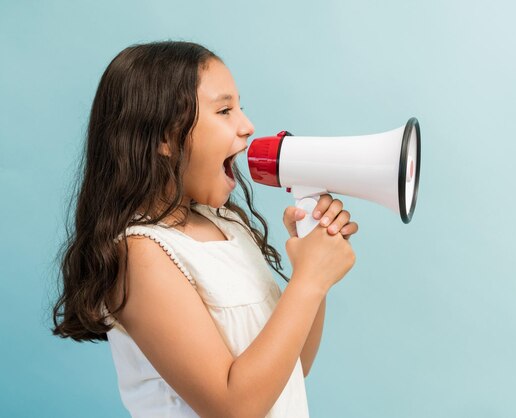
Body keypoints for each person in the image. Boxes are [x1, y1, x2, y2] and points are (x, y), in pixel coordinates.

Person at [51, 41, 358, 418]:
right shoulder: (141, 254)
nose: (247, 126)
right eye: (225, 110)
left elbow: (293, 369)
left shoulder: (227, 225)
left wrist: (315, 279)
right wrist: (308, 280)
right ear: (164, 136)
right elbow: (234, 407)